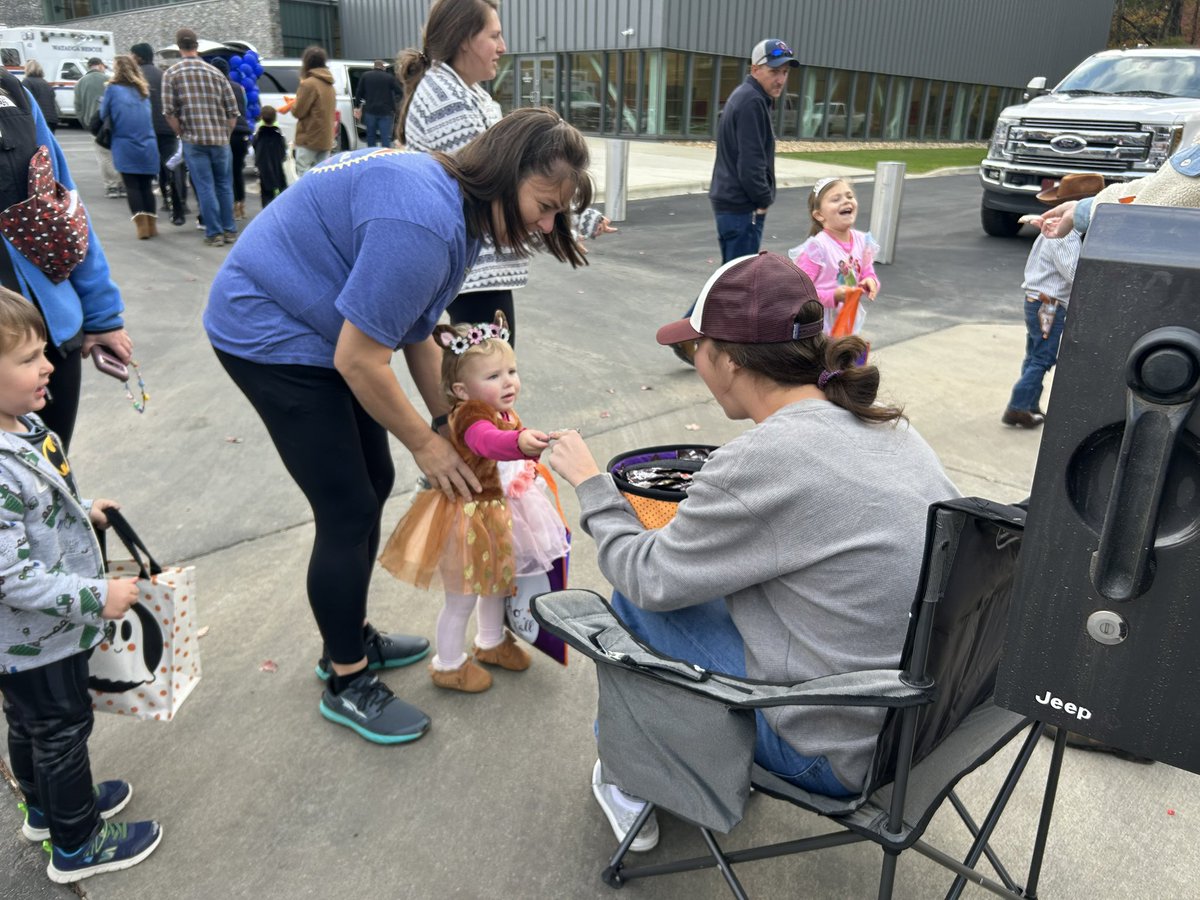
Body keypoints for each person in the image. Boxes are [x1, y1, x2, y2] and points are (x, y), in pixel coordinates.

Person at [203, 108, 592, 744]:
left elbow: (414, 330)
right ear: (505, 173)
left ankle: (348, 631)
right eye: (544, 205)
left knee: (374, 479)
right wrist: (428, 445)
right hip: (268, 330)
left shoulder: (456, 211)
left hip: (322, 324)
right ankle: (346, 676)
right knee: (347, 505)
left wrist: (447, 422)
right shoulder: (423, 221)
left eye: (556, 215)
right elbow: (359, 359)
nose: (545, 225)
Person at [547, 251, 958, 851]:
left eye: (696, 351)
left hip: (834, 754)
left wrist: (590, 485)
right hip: (926, 723)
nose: (696, 365)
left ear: (730, 360)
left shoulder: (766, 460)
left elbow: (646, 577)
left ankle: (626, 777)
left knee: (635, 603)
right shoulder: (885, 424)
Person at [0, 289, 162, 884]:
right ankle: (78, 842)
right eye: (27, 359)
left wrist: (85, 508)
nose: (48, 366)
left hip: (38, 634)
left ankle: (47, 811)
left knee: (33, 724)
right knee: (63, 727)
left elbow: (38, 510)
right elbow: (10, 574)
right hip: (34, 634)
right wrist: (101, 596)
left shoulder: (24, 426)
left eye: (45, 352)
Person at [399, 0, 613, 345]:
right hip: (475, 270)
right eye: (494, 35)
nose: (503, 47)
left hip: (479, 267)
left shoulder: (467, 94)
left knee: (484, 378)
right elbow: (494, 191)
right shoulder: (447, 101)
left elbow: (518, 183)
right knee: (484, 381)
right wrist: (560, 228)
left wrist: (569, 219)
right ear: (465, 38)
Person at [380, 312, 568, 692]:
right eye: (494, 376)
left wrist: (525, 455)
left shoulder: (500, 409)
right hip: (468, 520)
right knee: (462, 598)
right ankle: (448, 664)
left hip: (499, 514)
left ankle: (490, 642)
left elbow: (506, 454)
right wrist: (518, 443)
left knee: (497, 584)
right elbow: (486, 442)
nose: (509, 382)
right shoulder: (469, 416)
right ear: (462, 390)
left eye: (511, 371)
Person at [0, 68, 133, 453]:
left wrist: (101, 315)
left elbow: (64, 207)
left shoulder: (13, 94)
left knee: (49, 474)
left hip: (48, 333)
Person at [1001, 173, 1103, 429]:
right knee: (1043, 358)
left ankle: (1029, 402)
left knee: (1035, 355)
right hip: (1049, 304)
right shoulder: (1064, 234)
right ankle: (1018, 407)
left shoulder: (1055, 230)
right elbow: (1073, 272)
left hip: (1039, 301)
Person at [708, 39, 797, 264]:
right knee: (736, 282)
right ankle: (693, 303)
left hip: (733, 204)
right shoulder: (752, 101)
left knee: (729, 280)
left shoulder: (748, 96)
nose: (780, 80)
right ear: (755, 69)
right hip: (741, 207)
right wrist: (763, 200)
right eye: (774, 71)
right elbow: (751, 163)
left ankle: (694, 303)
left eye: (785, 72)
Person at [161, 28, 239, 247]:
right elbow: (232, 112)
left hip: (194, 139)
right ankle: (230, 229)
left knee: (204, 186)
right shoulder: (215, 73)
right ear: (197, 46)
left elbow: (169, 112)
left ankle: (214, 233)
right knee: (224, 185)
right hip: (220, 139)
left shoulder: (172, 74)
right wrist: (226, 133)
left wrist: (181, 132)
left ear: (179, 47)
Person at [787, 177, 880, 335]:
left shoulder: (863, 241)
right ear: (819, 215)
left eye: (849, 196)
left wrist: (870, 282)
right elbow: (801, 292)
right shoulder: (817, 248)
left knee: (846, 356)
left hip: (848, 317)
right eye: (836, 199)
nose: (845, 201)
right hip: (819, 324)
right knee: (825, 358)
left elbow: (867, 272)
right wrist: (833, 296)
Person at [100, 56, 160, 240]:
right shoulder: (143, 89)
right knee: (146, 186)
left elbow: (103, 114)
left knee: (132, 187)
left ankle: (142, 228)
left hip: (124, 143)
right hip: (148, 144)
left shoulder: (112, 89)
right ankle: (152, 225)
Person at [131, 43, 184, 226]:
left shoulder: (135, 78)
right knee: (170, 165)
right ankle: (179, 206)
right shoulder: (163, 75)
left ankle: (161, 203)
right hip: (167, 127)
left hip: (145, 129)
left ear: (138, 57)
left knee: (148, 168)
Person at [74, 58, 124, 199]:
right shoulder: (108, 80)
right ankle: (121, 183)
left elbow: (78, 107)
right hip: (112, 122)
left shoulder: (80, 83)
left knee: (103, 156)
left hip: (94, 124)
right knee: (116, 153)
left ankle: (111, 186)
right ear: (100, 66)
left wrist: (85, 122)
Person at [210, 57, 252, 220]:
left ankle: (230, 207)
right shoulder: (240, 88)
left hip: (228, 133)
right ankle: (240, 206)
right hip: (242, 134)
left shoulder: (216, 88)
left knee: (225, 173)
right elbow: (245, 105)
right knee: (237, 171)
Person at [292, 46, 336, 176]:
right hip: (326, 138)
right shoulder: (329, 84)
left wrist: (293, 104)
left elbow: (298, 112)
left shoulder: (308, 84)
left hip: (309, 137)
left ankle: (306, 198)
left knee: (303, 174)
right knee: (322, 175)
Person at [353, 59, 402, 147]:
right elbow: (399, 92)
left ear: (374, 67)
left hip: (370, 111)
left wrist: (356, 106)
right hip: (385, 112)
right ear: (383, 67)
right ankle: (385, 156)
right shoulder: (389, 77)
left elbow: (359, 92)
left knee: (371, 136)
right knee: (385, 137)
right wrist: (393, 102)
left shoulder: (365, 76)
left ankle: (372, 156)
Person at [252, 104, 287, 207]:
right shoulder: (278, 134)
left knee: (266, 194)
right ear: (275, 118)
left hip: (264, 169)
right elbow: (283, 152)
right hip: (278, 167)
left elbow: (255, 147)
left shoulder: (259, 135)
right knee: (282, 191)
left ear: (261, 117)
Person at [20, 61, 58, 132]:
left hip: (39, 119)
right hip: (52, 118)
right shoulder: (45, 83)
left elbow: (26, 101)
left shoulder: (27, 82)